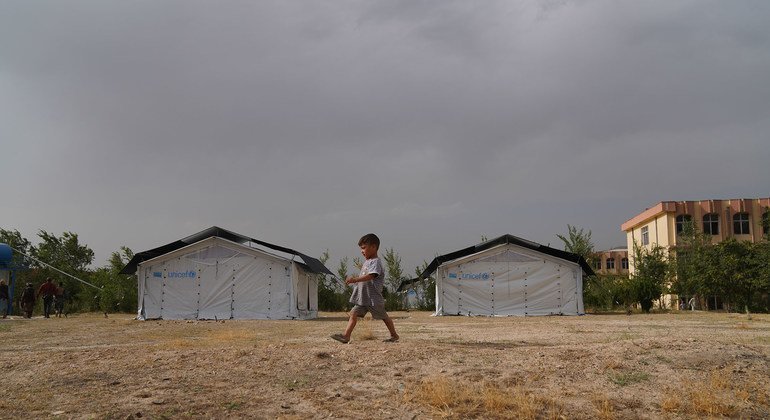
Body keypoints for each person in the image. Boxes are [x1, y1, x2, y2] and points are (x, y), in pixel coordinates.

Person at [331, 233, 399, 344]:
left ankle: (394, 335)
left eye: (364, 248)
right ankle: (346, 336)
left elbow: (371, 276)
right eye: (361, 249)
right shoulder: (367, 262)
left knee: (384, 317)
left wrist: (355, 279)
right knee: (353, 314)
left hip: (373, 299)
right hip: (363, 298)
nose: (362, 251)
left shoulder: (376, 262)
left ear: (373, 247)